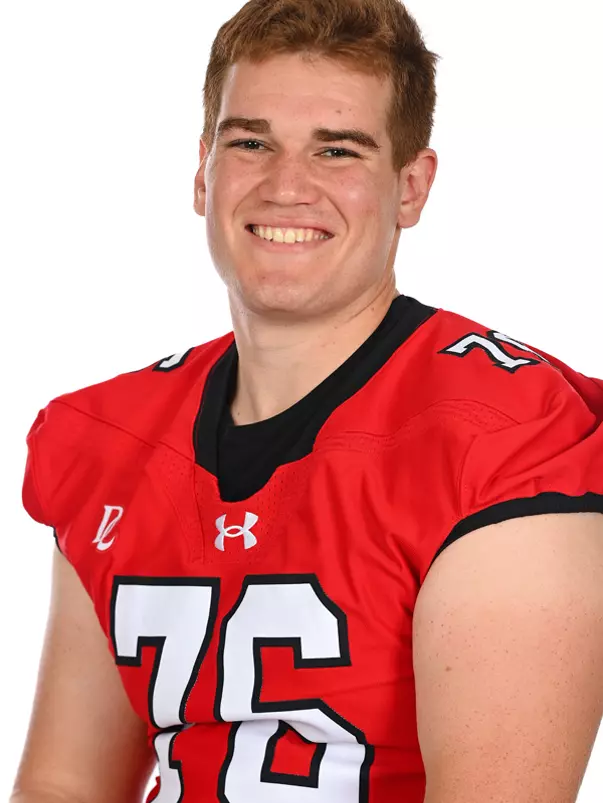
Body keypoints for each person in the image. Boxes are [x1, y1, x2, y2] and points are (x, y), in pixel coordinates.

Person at [11, 0, 603, 801]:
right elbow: (63, 783)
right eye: (250, 142)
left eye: (337, 150)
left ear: (409, 187)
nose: (287, 185)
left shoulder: (511, 431)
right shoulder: (107, 435)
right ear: (201, 171)